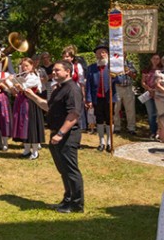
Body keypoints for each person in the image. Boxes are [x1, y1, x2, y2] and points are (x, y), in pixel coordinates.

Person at [24, 60, 84, 213]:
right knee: (63, 170)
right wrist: (32, 96)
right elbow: (48, 107)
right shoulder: (58, 88)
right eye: (54, 70)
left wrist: (60, 133)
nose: (54, 72)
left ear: (67, 71)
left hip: (67, 135)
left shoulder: (72, 89)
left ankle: (77, 204)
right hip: (56, 133)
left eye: (57, 70)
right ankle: (67, 199)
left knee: (71, 170)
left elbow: (73, 115)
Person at [85, 42, 117, 152]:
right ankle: (101, 142)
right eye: (99, 53)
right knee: (99, 119)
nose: (101, 55)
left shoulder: (112, 67)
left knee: (109, 119)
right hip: (97, 98)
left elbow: (120, 80)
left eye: (103, 52)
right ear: (96, 55)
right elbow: (88, 85)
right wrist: (88, 99)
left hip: (109, 98)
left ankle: (109, 142)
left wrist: (116, 75)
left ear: (107, 54)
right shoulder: (91, 68)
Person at [11, 57, 45, 159]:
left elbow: (25, 87)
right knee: (23, 126)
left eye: (27, 66)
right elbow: (17, 89)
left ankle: (35, 151)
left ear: (32, 66)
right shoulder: (22, 75)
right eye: (23, 66)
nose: (24, 68)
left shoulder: (34, 76)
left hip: (31, 103)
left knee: (31, 126)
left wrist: (18, 85)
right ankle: (26, 150)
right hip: (22, 102)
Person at [113, 53, 137, 135]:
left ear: (126, 55)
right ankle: (117, 127)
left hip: (128, 88)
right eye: (121, 55)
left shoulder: (130, 63)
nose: (122, 56)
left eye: (124, 54)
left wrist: (129, 72)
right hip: (117, 87)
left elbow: (135, 76)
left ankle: (131, 128)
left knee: (130, 109)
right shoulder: (114, 64)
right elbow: (110, 76)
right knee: (116, 109)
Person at [141, 54, 162, 140]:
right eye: (154, 58)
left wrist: (156, 90)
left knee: (160, 114)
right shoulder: (146, 70)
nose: (155, 60)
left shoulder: (162, 70)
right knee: (151, 114)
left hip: (159, 94)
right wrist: (149, 89)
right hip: (148, 94)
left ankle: (160, 133)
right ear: (151, 59)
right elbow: (143, 82)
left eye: (157, 59)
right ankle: (153, 132)